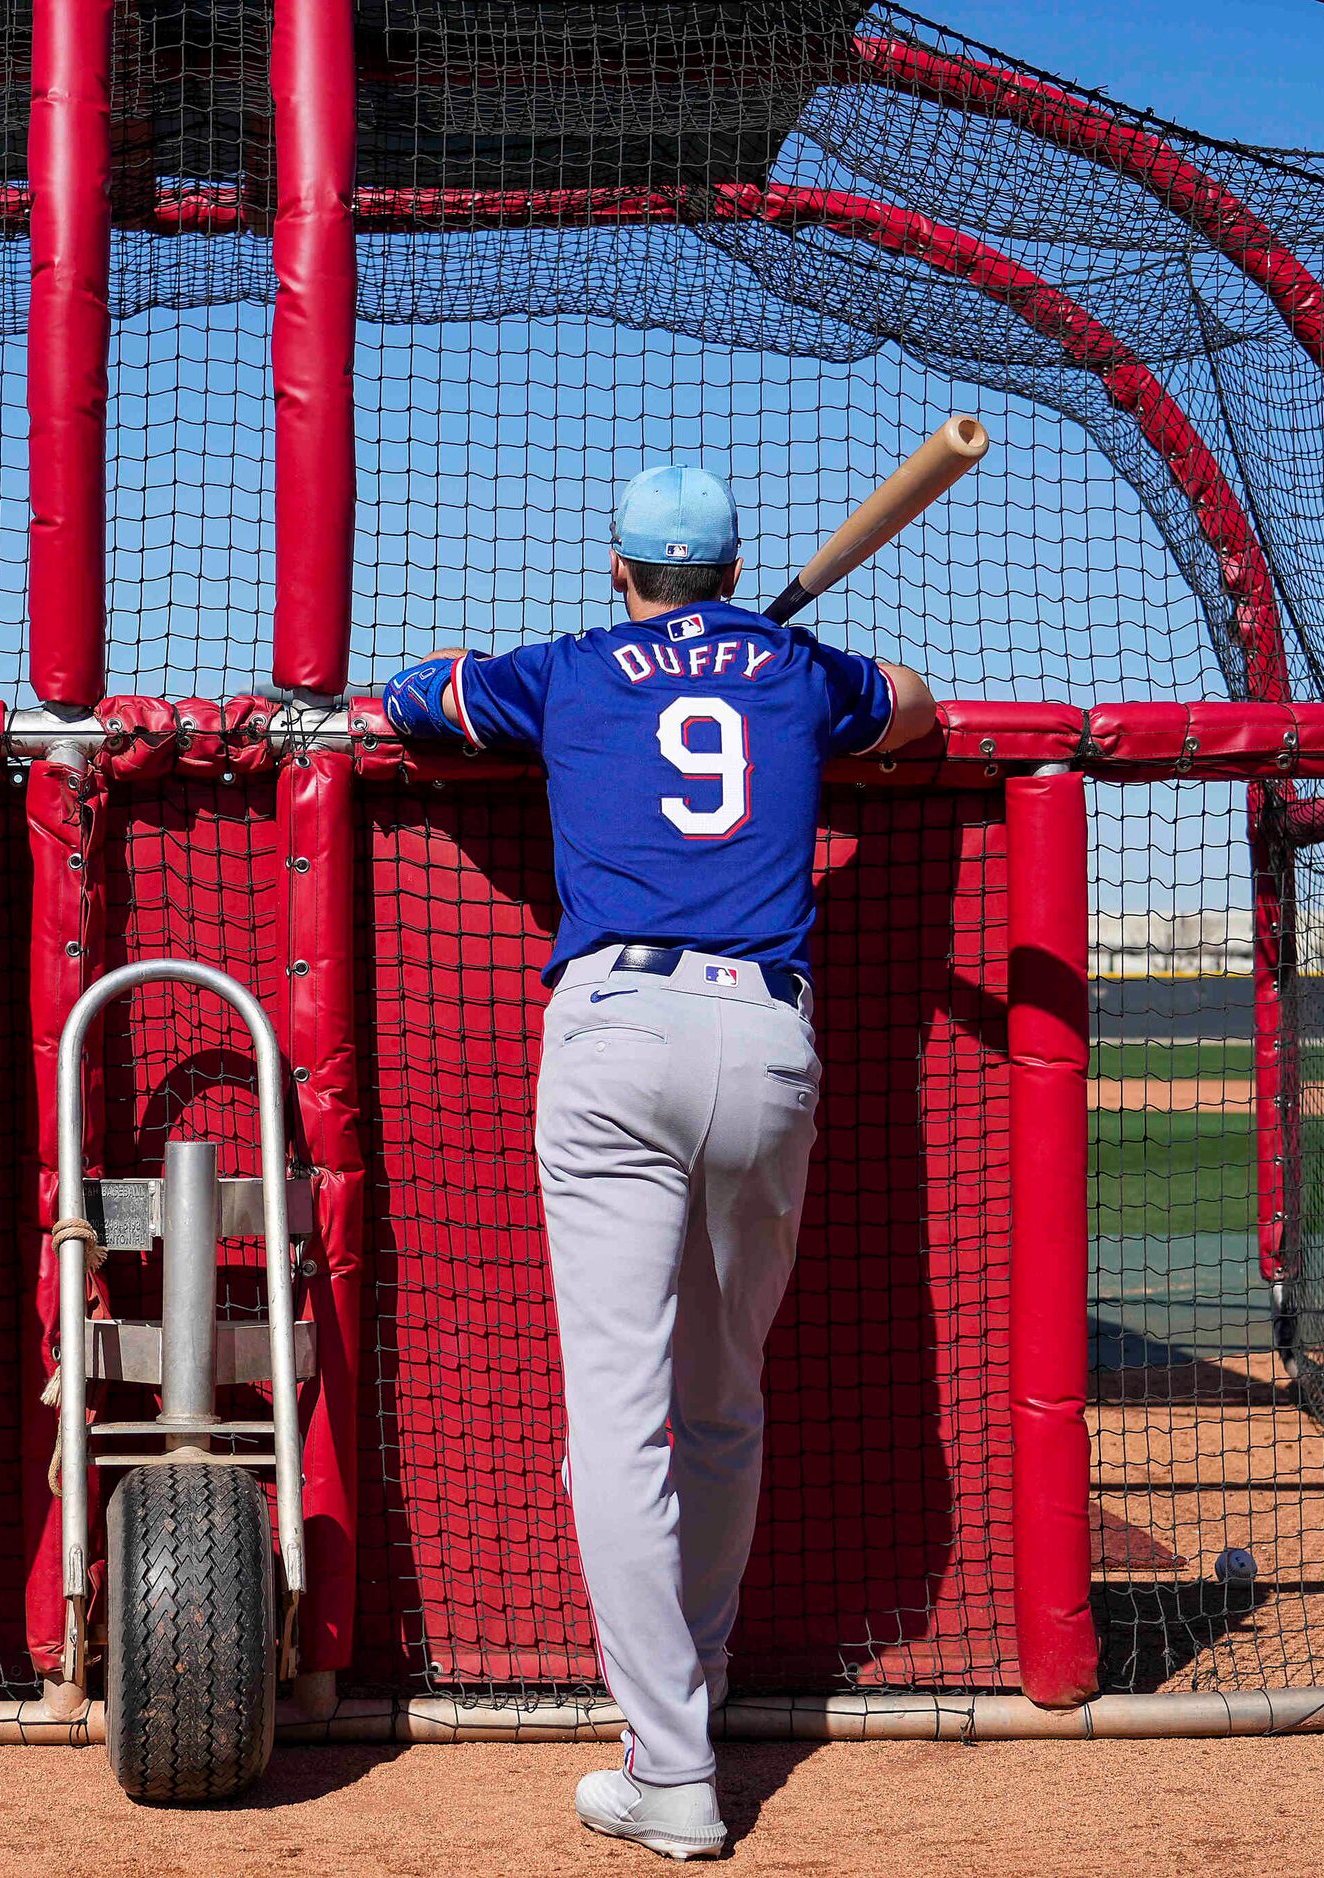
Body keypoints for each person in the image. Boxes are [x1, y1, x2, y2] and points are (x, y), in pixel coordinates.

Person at [379, 466, 937, 1861]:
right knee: (725, 1397)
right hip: (764, 1042)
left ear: (616, 566)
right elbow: (918, 703)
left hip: (617, 1031)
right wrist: (788, 656)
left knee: (618, 1422)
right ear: (732, 568)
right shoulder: (793, 670)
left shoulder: (568, 668)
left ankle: (669, 1759)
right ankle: (699, 1683)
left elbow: (406, 695)